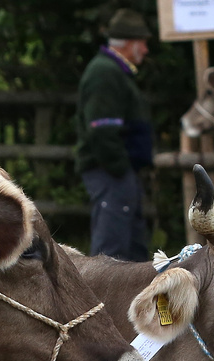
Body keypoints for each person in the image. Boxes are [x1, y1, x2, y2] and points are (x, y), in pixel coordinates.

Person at [75, 9, 154, 261]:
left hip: (117, 172)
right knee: (112, 249)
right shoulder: (105, 73)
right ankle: (103, 299)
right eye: (143, 42)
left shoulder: (113, 71)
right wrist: (121, 169)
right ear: (129, 44)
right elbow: (102, 129)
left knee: (130, 244)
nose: (146, 49)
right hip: (110, 172)